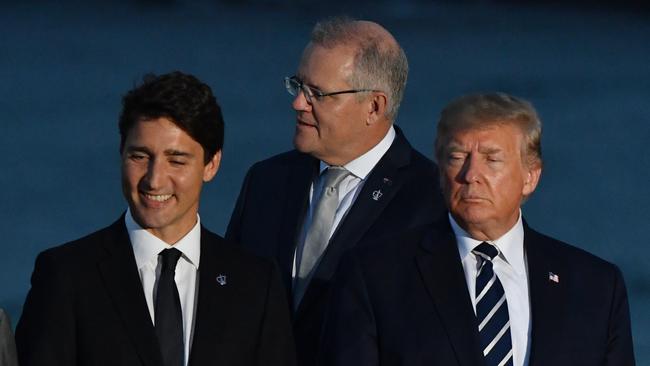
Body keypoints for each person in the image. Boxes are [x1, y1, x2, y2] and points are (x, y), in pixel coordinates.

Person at [321, 93, 635, 366]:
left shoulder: (595, 287)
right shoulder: (376, 276)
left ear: (530, 176)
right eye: (457, 158)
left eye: (492, 160)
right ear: (441, 172)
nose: (471, 175)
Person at [16, 72, 296, 366]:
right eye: (139, 156)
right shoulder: (66, 276)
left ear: (211, 165)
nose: (154, 180)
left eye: (176, 160)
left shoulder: (255, 283)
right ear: (121, 152)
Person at [226, 16, 445, 365]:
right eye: (298, 86)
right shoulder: (265, 181)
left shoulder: (432, 200)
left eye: (317, 93)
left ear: (374, 106)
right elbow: (228, 304)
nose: (298, 103)